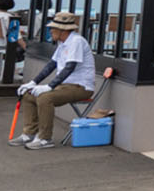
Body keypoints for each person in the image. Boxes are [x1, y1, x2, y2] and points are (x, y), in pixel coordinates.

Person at [10, 11, 97, 149]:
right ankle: (29, 134)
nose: (50, 31)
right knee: (28, 95)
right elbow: (51, 65)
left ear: (62, 31)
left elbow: (69, 68)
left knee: (45, 98)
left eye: (53, 28)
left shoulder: (76, 41)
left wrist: (49, 86)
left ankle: (45, 138)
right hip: (65, 86)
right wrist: (33, 82)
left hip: (81, 87)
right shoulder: (62, 43)